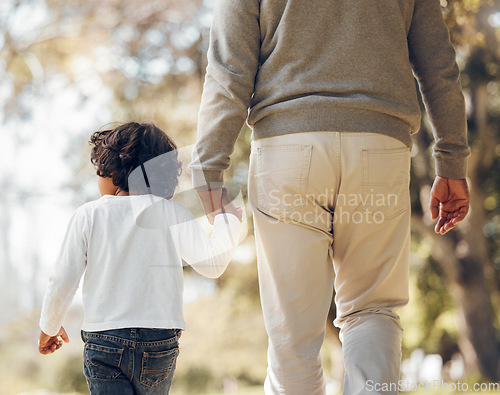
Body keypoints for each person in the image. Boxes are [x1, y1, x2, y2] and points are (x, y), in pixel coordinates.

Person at [190, 0, 470, 394]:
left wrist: (208, 169)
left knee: (292, 336)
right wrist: (452, 161)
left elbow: (228, 69)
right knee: (372, 311)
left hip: (286, 150)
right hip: (379, 146)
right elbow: (438, 66)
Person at [38, 122, 242, 394]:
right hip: (159, 341)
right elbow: (213, 264)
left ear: (111, 170)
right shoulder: (173, 213)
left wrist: (48, 326)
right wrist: (228, 221)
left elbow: (63, 279)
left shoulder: (89, 215)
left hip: (105, 339)